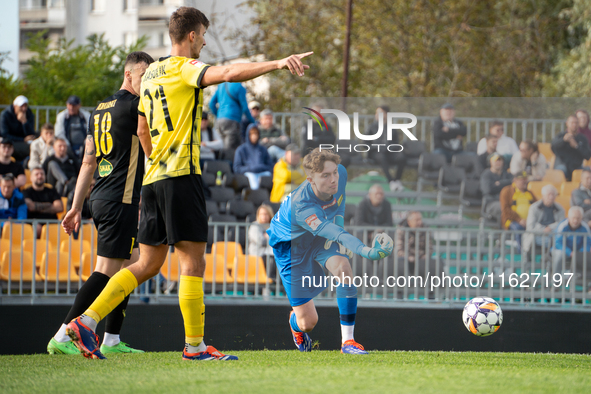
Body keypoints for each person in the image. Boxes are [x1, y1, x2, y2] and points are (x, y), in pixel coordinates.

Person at [64, 6, 313, 361]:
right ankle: (194, 347)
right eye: (204, 35)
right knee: (192, 264)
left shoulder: (149, 74)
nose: (206, 42)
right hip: (181, 177)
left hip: (152, 180)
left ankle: (85, 323)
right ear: (192, 35)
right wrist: (277, 63)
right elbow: (227, 73)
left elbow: (141, 129)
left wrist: (156, 160)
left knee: (146, 264)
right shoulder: (186, 68)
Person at [49, 51, 155, 357]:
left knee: (132, 265)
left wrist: (76, 205)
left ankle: (111, 338)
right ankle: (63, 334)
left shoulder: (98, 110)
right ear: (129, 75)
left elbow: (87, 162)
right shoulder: (137, 106)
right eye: (144, 75)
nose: (147, 82)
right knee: (106, 272)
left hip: (101, 198)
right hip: (120, 199)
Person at [267, 148, 394, 354]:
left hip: (316, 236)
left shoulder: (340, 174)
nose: (333, 179)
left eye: (334, 172)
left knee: (343, 266)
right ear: (311, 180)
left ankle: (348, 342)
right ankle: (294, 322)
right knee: (308, 323)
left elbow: (339, 206)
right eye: (325, 175)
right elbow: (334, 232)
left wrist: (339, 224)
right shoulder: (302, 206)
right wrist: (367, 251)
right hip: (291, 248)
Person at [367, 106, 406, 191]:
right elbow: (366, 143)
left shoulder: (392, 128)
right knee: (381, 157)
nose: (377, 115)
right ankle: (391, 181)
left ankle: (397, 180)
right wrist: (375, 148)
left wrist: (389, 148)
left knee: (401, 157)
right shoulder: (371, 127)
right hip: (376, 152)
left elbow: (396, 143)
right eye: (377, 113)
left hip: (389, 152)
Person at [209, 82, 256, 149]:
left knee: (221, 147)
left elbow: (211, 103)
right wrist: (253, 121)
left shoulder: (221, 85)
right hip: (233, 120)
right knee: (232, 148)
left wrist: (218, 115)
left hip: (220, 121)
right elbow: (245, 107)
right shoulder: (239, 86)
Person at [21, 167, 64, 238]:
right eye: (37, 174)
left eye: (42, 174)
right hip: (33, 223)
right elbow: (30, 207)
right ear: (31, 177)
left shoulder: (52, 191)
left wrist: (37, 207)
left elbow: (59, 207)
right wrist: (50, 205)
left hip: (52, 223)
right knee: (37, 228)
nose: (40, 176)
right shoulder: (26, 192)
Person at [523, 184, 565, 255]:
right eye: (549, 195)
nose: (551, 197)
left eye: (553, 195)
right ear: (543, 196)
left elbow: (561, 225)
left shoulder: (560, 209)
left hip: (554, 235)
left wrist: (550, 228)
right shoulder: (534, 208)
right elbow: (530, 227)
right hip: (537, 235)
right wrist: (543, 230)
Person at [552, 206, 591, 281]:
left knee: (585, 257)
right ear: (569, 217)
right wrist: (570, 252)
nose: (575, 221)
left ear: (581, 218)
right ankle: (555, 283)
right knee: (559, 256)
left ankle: (579, 282)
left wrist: (580, 253)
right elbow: (558, 243)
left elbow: (588, 243)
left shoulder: (585, 227)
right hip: (562, 250)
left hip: (578, 252)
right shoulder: (562, 226)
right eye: (573, 218)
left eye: (578, 218)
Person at [500, 171, 537, 251]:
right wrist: (519, 220)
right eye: (521, 179)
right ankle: (522, 252)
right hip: (512, 221)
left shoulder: (530, 193)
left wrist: (530, 221)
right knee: (518, 228)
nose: (524, 181)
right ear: (515, 180)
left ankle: (530, 252)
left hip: (529, 222)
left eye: (525, 179)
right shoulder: (507, 191)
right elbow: (505, 209)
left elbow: (537, 207)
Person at [395, 211, 434, 280]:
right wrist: (409, 257)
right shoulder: (401, 229)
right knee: (401, 263)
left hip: (421, 258)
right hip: (406, 258)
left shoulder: (426, 229)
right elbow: (399, 249)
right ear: (409, 221)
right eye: (417, 220)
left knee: (432, 264)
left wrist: (425, 256)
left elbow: (429, 248)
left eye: (420, 219)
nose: (419, 222)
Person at [233, 124, 274, 190]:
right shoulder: (241, 149)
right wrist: (251, 168)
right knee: (253, 180)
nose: (254, 136)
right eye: (251, 134)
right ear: (248, 135)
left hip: (262, 172)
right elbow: (237, 168)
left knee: (271, 177)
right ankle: (255, 197)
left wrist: (260, 167)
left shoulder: (263, 149)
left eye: (256, 133)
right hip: (248, 174)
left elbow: (270, 166)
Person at [551, 115, 591, 181]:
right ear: (567, 123)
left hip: (576, 166)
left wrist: (577, 146)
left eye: (576, 123)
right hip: (562, 165)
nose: (574, 125)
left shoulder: (582, 138)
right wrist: (563, 140)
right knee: (561, 170)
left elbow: (587, 156)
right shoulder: (561, 135)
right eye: (572, 123)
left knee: (587, 172)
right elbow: (553, 147)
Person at [0, 95, 35, 161]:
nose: (24, 109)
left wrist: (24, 122)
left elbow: (31, 134)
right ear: (15, 106)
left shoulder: (29, 115)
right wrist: (23, 139)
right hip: (10, 141)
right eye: (21, 106)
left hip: (24, 141)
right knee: (27, 148)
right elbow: (4, 134)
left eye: (25, 106)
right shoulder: (5, 115)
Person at [480, 153, 513, 220]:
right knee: (504, 208)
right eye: (495, 160)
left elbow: (514, 183)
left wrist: (500, 183)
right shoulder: (486, 174)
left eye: (500, 160)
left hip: (507, 201)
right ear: (490, 162)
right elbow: (487, 189)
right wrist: (506, 185)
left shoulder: (507, 174)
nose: (498, 162)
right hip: (491, 203)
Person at [248, 204, 276, 280]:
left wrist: (268, 236)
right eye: (261, 214)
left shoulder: (273, 226)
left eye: (266, 214)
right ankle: (269, 282)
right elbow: (261, 241)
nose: (264, 216)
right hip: (258, 254)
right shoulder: (255, 226)